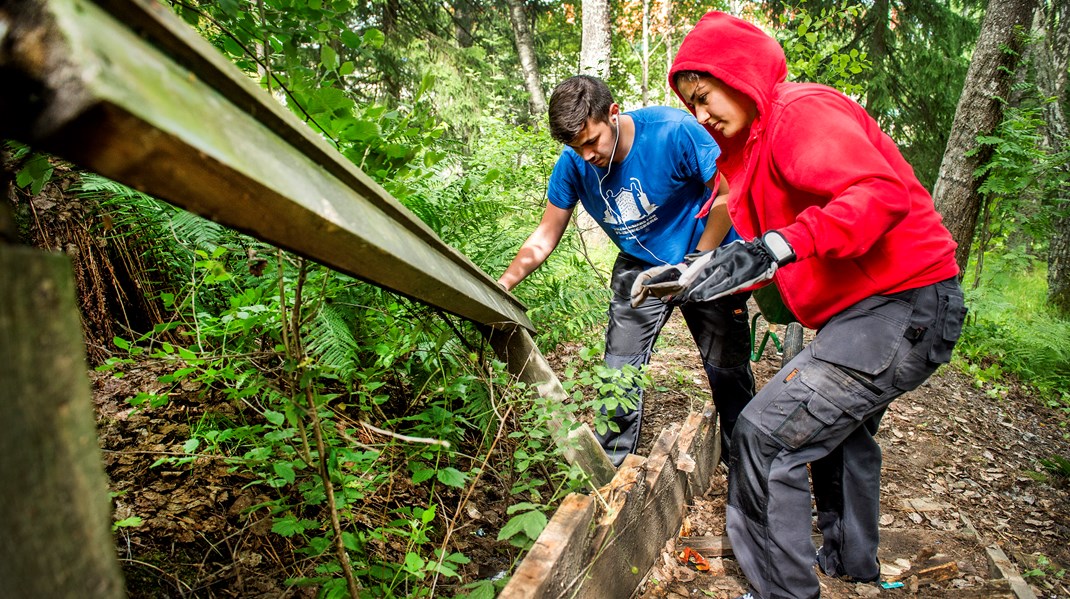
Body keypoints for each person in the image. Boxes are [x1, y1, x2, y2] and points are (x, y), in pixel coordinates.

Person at [632, 12, 968, 599]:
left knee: (765, 434)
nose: (701, 115)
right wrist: (690, 270)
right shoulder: (748, 149)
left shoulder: (797, 114)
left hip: (902, 301)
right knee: (837, 433)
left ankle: (782, 592)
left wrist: (780, 246)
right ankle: (849, 563)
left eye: (705, 96)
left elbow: (877, 193)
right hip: (868, 310)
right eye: (691, 106)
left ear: (737, 76)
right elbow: (742, 227)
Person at [498, 75, 755, 467]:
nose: (585, 155)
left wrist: (697, 260)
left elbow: (726, 193)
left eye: (591, 141)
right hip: (640, 266)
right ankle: (612, 473)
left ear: (613, 114)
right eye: (574, 146)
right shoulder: (573, 165)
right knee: (618, 373)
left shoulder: (673, 131)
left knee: (727, 372)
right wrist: (503, 285)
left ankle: (744, 464)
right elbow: (546, 234)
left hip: (706, 256)